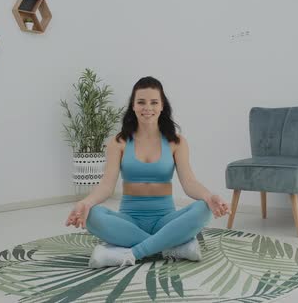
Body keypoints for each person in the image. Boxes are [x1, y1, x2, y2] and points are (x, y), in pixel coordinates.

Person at [65, 76, 230, 268]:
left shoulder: (176, 142)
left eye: (154, 102)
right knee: (91, 214)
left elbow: (189, 182)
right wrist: (85, 203)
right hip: (129, 221)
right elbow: (107, 185)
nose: (147, 108)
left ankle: (131, 253)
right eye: (141, 102)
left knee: (203, 209)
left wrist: (209, 197)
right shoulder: (119, 142)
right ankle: (171, 245)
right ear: (133, 106)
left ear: (162, 106)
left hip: (166, 220)